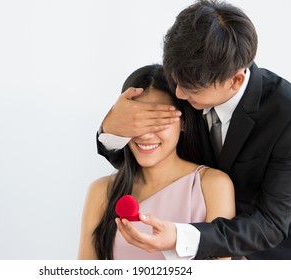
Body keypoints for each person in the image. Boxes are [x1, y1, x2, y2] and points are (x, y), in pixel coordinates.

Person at [96, 0, 291, 260]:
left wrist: (181, 237)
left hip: (268, 254)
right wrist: (113, 128)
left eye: (192, 89)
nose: (179, 94)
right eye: (176, 81)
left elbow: (271, 224)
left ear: (236, 80)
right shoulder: (188, 79)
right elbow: (147, 159)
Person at [78, 64, 235, 260]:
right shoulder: (101, 191)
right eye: (138, 120)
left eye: (159, 119)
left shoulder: (213, 185)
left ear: (184, 121)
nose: (145, 134)